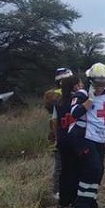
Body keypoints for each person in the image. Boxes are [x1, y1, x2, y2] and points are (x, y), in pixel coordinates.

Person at [66, 63, 105, 208]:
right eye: (97, 82)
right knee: (92, 167)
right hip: (82, 137)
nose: (100, 86)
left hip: (99, 137)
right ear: (91, 80)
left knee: (99, 171)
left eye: (103, 82)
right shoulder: (82, 94)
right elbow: (74, 113)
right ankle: (81, 204)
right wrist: (89, 100)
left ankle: (91, 202)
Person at [53, 73, 84, 208]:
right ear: (75, 86)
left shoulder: (58, 102)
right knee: (77, 169)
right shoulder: (77, 100)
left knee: (64, 170)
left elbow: (54, 121)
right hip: (75, 138)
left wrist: (57, 136)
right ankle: (75, 198)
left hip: (62, 138)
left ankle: (63, 200)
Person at [45, 68, 74, 200]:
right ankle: (57, 190)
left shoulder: (55, 95)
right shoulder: (56, 95)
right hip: (60, 131)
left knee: (64, 164)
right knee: (60, 165)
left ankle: (63, 189)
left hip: (63, 131)